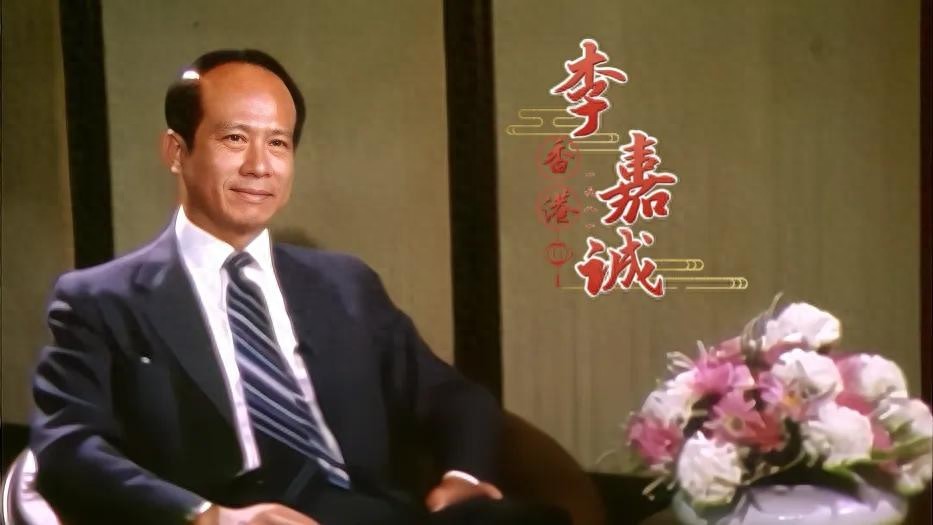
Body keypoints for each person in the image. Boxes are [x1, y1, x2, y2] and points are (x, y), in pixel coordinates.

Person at [29, 49, 569, 525]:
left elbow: (452, 395)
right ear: (176, 151)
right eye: (235, 138)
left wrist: (462, 476)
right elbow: (68, 446)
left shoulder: (346, 284)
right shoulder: (100, 300)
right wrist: (206, 516)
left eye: (278, 143)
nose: (259, 166)